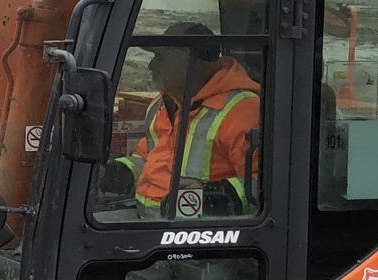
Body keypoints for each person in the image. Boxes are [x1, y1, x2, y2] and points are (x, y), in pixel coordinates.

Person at [104, 21, 262, 217]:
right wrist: (123, 172)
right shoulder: (163, 104)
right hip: (148, 220)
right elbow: (151, 160)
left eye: (161, 58)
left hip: (199, 234)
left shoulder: (243, 109)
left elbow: (264, 184)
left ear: (192, 61)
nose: (151, 65)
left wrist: (218, 197)